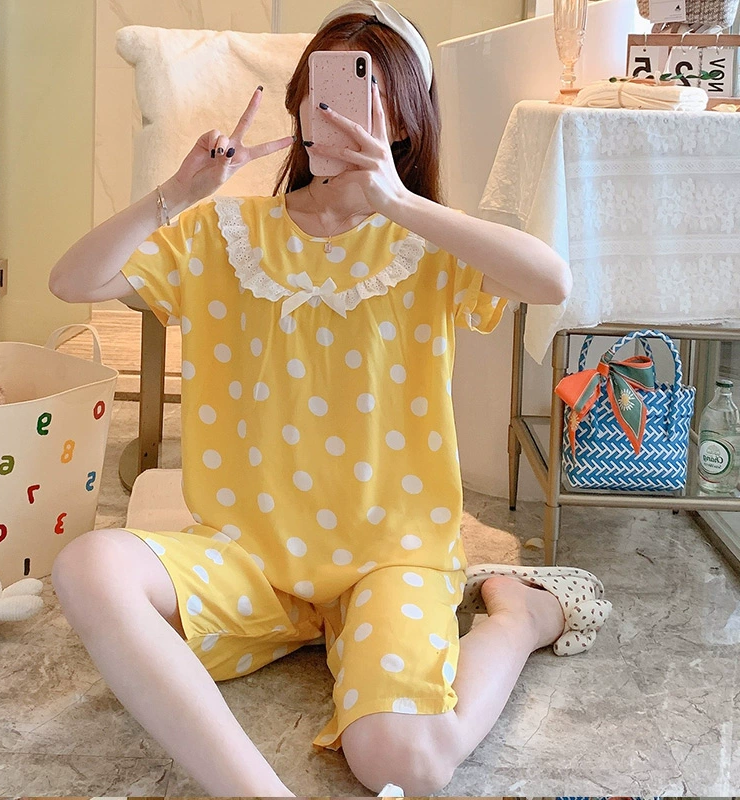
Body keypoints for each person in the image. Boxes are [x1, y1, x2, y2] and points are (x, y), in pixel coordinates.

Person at [48, 1, 612, 796]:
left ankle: (517, 618)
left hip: (390, 557)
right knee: (88, 566)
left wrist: (397, 202)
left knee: (403, 763)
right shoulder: (223, 235)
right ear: (300, 107)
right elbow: (72, 281)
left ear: (405, 121)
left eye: (364, 93)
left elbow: (552, 280)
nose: (336, 112)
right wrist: (176, 192)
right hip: (248, 557)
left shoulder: (426, 243)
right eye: (323, 92)